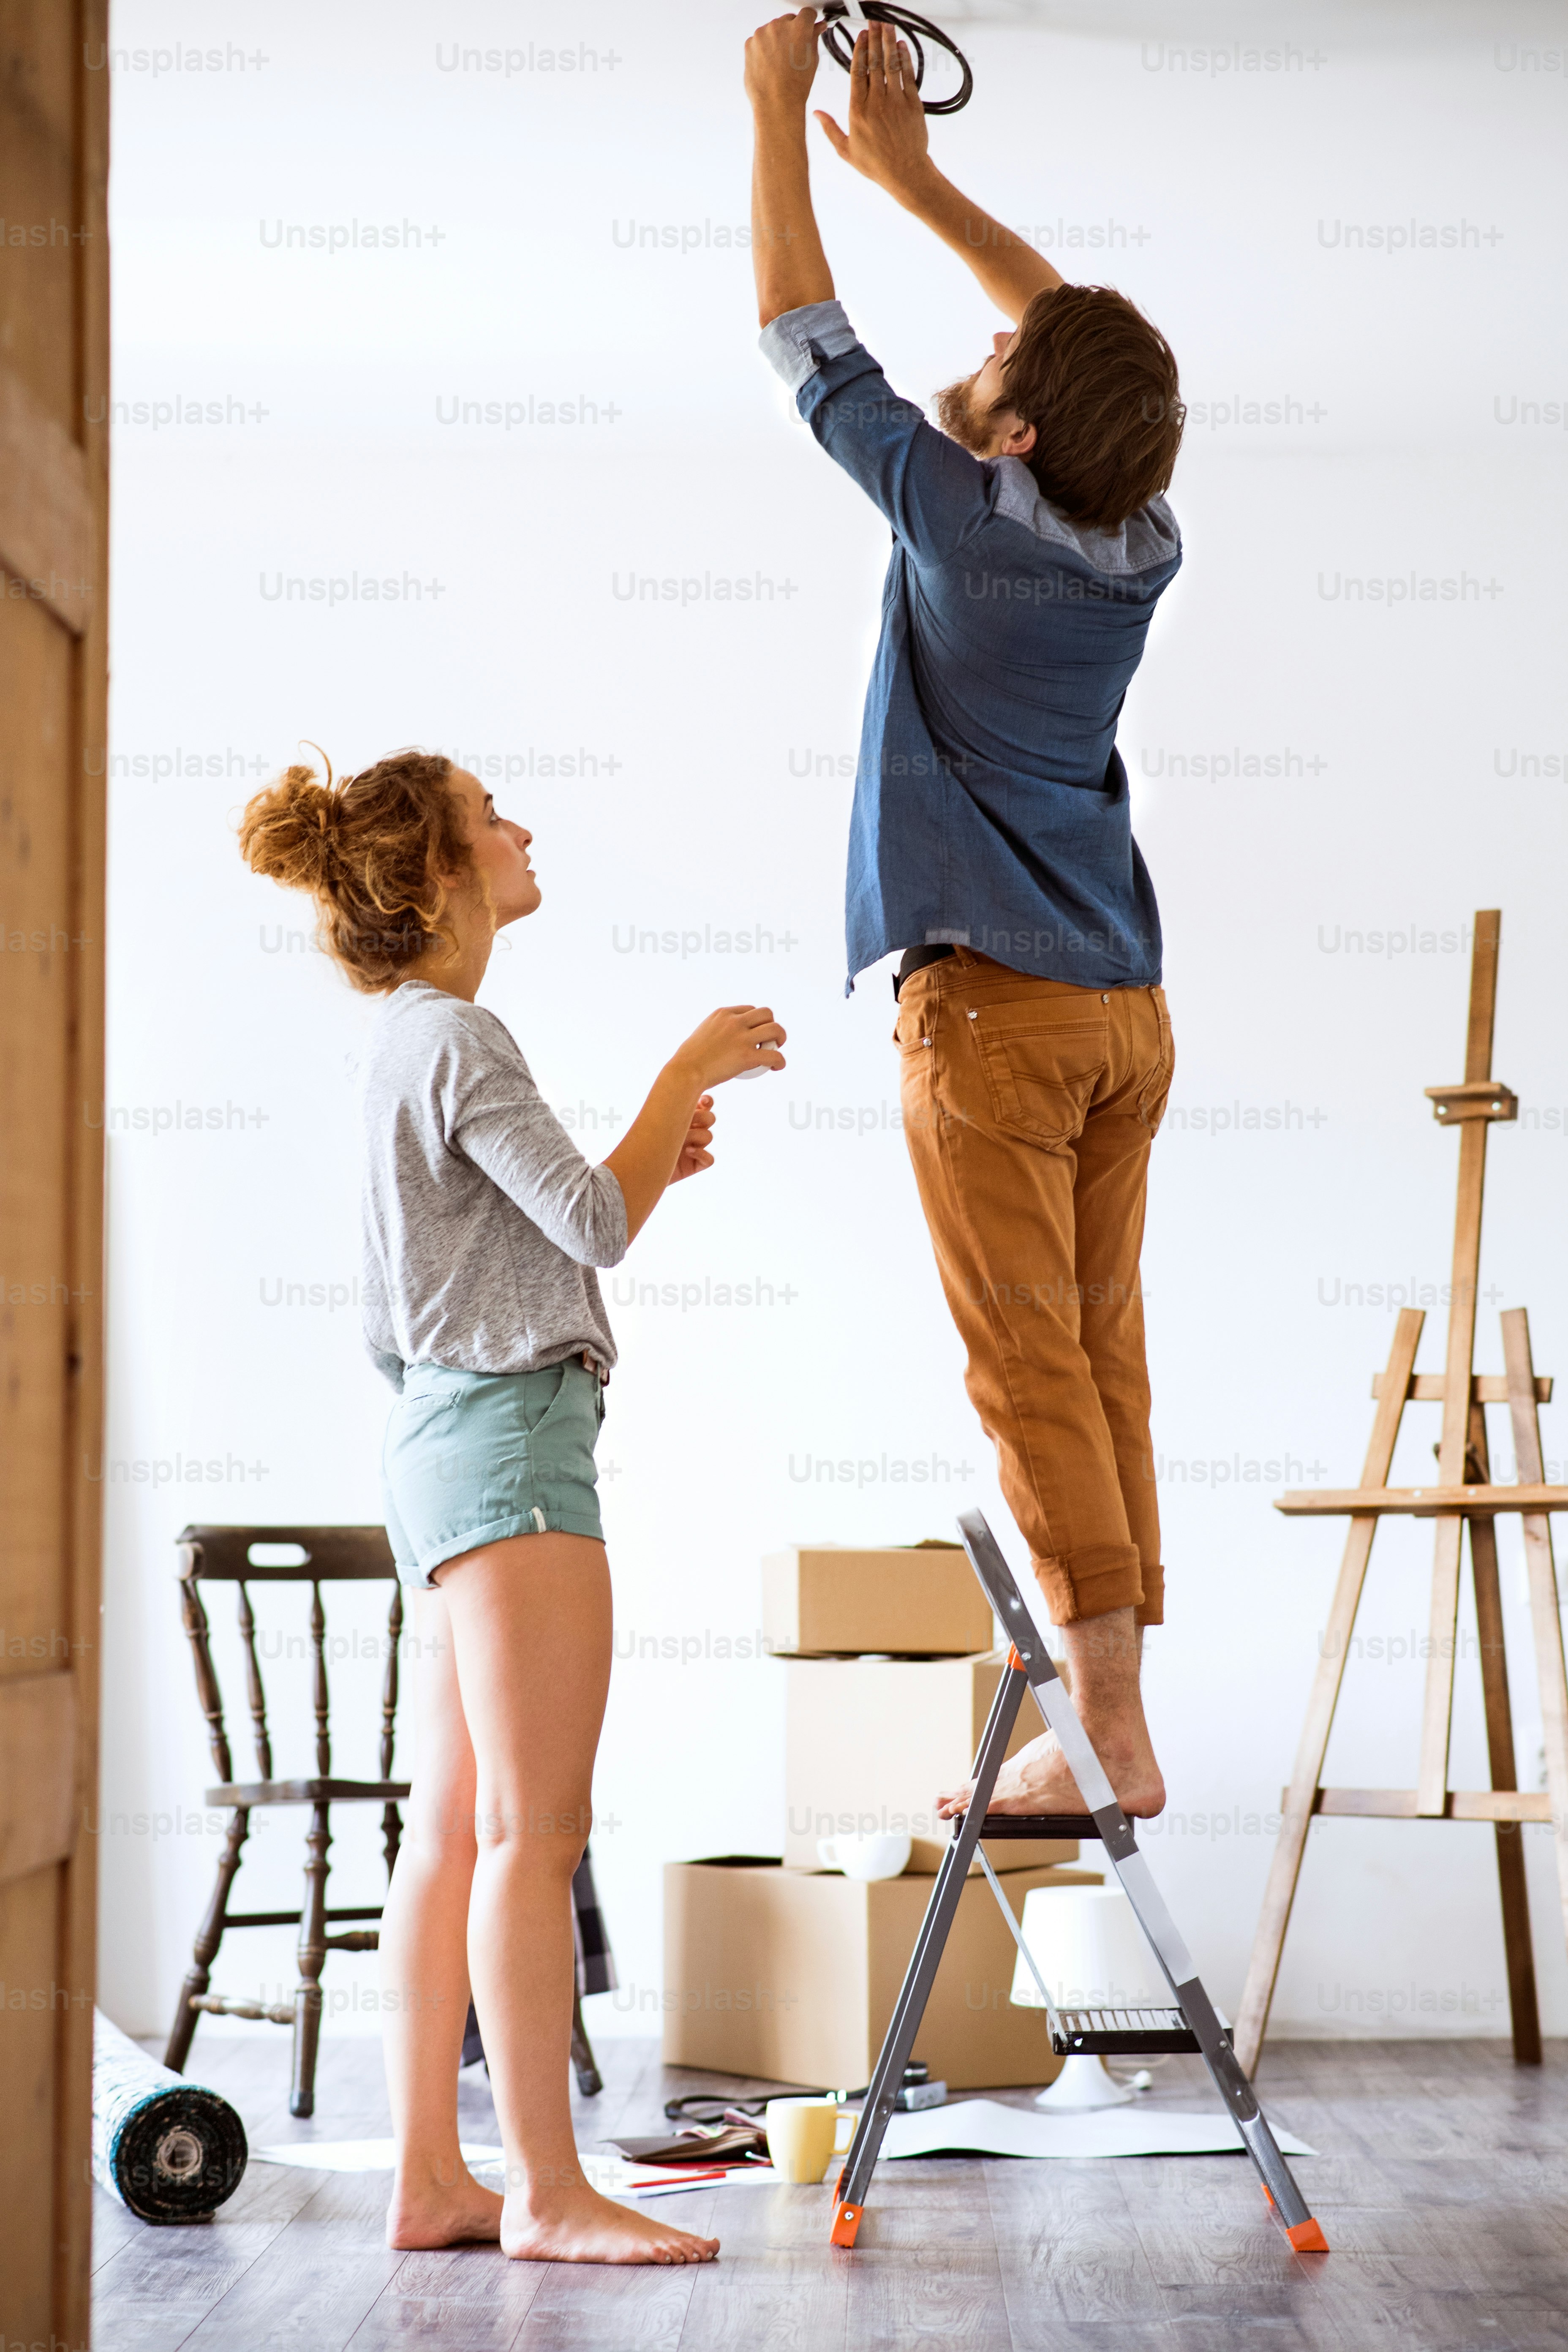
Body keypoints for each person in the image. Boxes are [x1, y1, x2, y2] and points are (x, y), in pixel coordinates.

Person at [240, 749, 786, 2262]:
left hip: (435, 1436)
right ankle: (547, 2192)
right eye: (494, 818)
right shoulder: (465, 1038)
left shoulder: (403, 1045)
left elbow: (536, 1233)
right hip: (511, 1440)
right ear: (437, 879)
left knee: (458, 1828)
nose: (524, 829)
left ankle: (434, 2180)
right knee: (537, 1837)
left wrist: (645, 1159)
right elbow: (596, 1224)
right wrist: (688, 1072)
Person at [745, 12, 1186, 1819]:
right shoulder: (1133, 532)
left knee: (1032, 1368)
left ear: (1006, 428)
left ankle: (1106, 1730)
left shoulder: (955, 510)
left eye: (996, 356)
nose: (984, 341)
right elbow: (1072, 344)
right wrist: (913, 177)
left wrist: (775, 113)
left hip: (996, 1022)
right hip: (1117, 1019)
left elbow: (799, 332)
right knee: (1095, 1353)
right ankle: (1110, 1696)